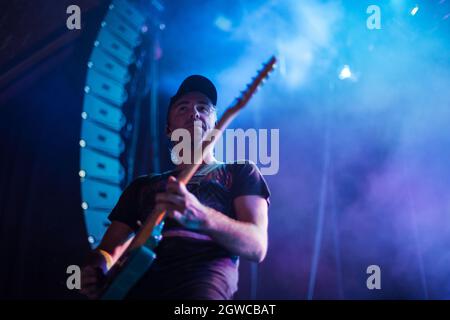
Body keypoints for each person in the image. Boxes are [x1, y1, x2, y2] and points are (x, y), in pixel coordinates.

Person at [80, 75, 270, 300]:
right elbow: (108, 249)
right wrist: (96, 268)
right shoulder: (142, 186)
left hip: (200, 282)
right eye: (183, 108)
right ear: (169, 129)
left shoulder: (240, 171)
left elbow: (257, 246)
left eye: (203, 107)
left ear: (216, 123)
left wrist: (201, 216)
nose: (194, 113)